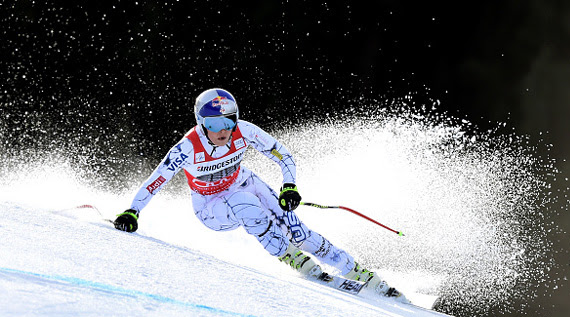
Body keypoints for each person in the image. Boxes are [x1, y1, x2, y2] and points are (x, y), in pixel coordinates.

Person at [114, 88, 405, 300]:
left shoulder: (245, 131)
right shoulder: (187, 147)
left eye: (228, 121)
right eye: (214, 124)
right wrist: (133, 211)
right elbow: (157, 180)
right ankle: (292, 258)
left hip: (244, 181)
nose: (223, 130)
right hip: (211, 207)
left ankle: (356, 271)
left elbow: (283, 155)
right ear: (201, 122)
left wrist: (289, 186)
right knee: (247, 204)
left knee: (297, 229)